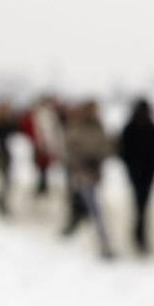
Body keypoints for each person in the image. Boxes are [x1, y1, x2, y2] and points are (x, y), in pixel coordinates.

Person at [62, 101, 115, 260]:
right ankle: (103, 244)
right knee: (95, 210)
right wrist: (83, 161)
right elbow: (69, 151)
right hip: (82, 175)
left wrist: (99, 157)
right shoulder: (76, 128)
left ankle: (75, 228)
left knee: (90, 208)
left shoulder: (98, 127)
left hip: (95, 173)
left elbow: (106, 147)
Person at [118, 98, 154, 254]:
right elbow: (123, 152)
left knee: (143, 206)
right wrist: (133, 168)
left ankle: (140, 234)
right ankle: (139, 235)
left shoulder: (151, 127)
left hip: (148, 174)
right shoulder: (130, 128)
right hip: (136, 175)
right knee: (140, 206)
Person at [23, 96, 65, 198]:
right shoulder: (37, 116)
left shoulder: (51, 116)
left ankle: (43, 185)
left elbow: (54, 132)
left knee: (45, 167)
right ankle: (41, 186)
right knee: (41, 166)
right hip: (39, 146)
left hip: (47, 146)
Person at [0, 101, 22, 217]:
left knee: (5, 181)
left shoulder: (3, 123)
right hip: (2, 154)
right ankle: (0, 201)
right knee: (4, 180)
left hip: (5, 154)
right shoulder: (0, 124)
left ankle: (1, 201)